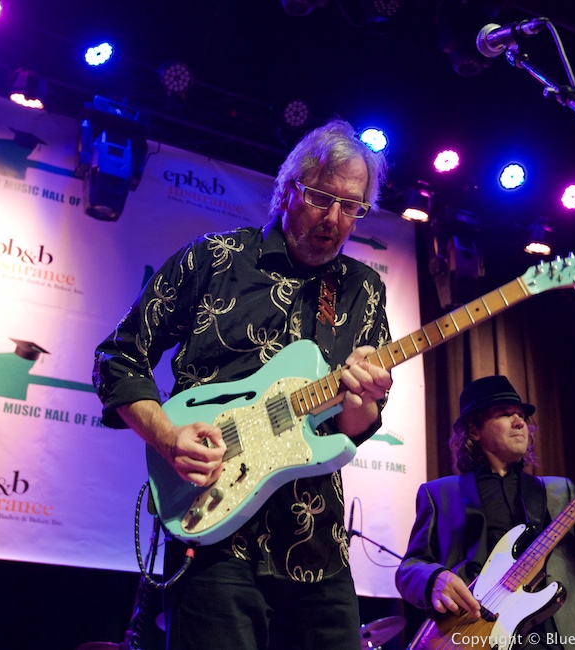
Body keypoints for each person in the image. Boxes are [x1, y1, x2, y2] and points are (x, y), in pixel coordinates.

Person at [93, 118, 393, 650]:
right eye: (323, 197)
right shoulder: (214, 259)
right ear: (289, 189)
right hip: (213, 538)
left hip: (316, 549)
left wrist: (363, 399)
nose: (334, 219)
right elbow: (118, 356)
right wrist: (166, 435)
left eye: (352, 207)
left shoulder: (363, 289)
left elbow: (355, 427)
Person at [395, 374, 575, 650]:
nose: (520, 422)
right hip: (474, 636)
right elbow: (409, 568)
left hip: (560, 639)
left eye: (521, 415)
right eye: (505, 414)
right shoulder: (440, 494)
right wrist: (433, 578)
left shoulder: (559, 491)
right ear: (474, 430)